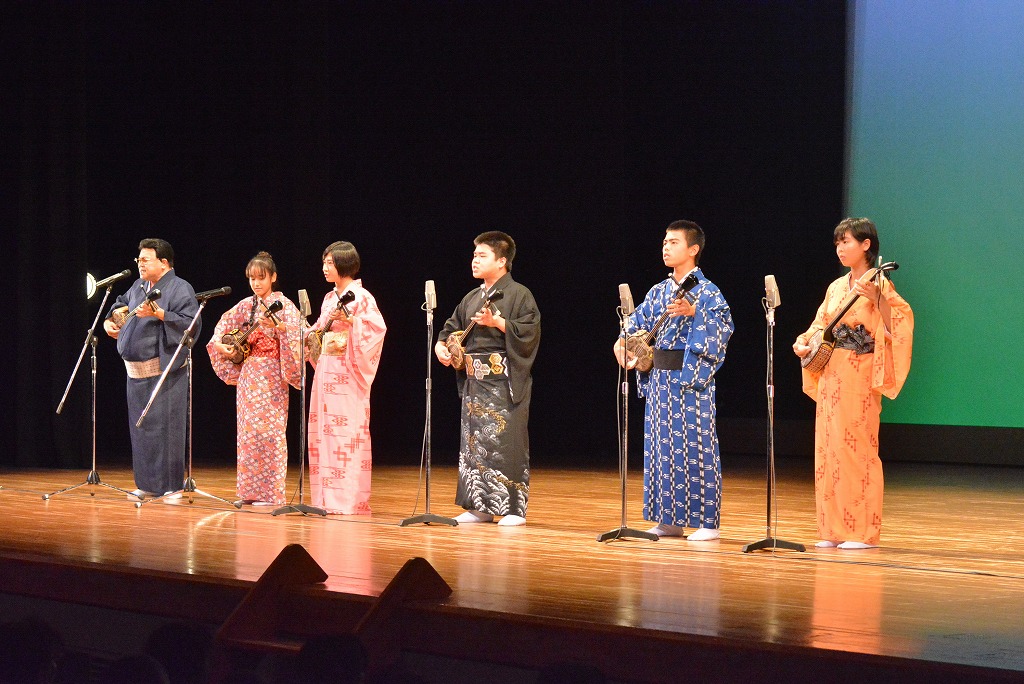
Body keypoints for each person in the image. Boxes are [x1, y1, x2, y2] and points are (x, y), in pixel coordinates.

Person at [793, 217, 914, 550]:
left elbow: (899, 325)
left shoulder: (880, 283)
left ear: (866, 245)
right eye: (837, 242)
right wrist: (803, 341)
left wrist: (878, 299)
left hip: (859, 372)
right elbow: (820, 324)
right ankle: (833, 529)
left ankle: (862, 532)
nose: (840, 248)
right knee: (828, 450)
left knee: (857, 449)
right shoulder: (836, 287)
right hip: (832, 372)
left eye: (846, 241)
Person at [614, 220, 733, 540]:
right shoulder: (659, 291)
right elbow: (634, 323)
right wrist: (621, 343)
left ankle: (708, 523)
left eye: (674, 242)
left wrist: (695, 313)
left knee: (698, 448)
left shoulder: (708, 291)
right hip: (660, 381)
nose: (666, 247)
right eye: (665, 242)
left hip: (691, 380)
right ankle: (668, 519)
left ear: (693, 249)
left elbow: (724, 329)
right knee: (662, 449)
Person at [435, 231, 541, 526]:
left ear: (502, 261)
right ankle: (479, 507)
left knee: (506, 442)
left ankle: (513, 509)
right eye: (474, 255)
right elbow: (449, 329)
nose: (475, 260)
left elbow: (530, 332)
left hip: (504, 382)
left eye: (482, 255)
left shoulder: (519, 294)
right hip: (475, 383)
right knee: (473, 443)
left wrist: (498, 322)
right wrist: (440, 347)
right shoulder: (472, 298)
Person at [103, 238, 200, 499]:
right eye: (139, 260)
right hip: (135, 373)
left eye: (146, 260)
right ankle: (147, 484)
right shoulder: (138, 286)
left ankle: (171, 486)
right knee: (141, 429)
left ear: (164, 262)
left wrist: (159, 314)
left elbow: (191, 324)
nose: (140, 264)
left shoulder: (180, 288)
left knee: (166, 429)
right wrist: (110, 321)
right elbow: (119, 304)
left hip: (165, 371)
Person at [207, 252, 303, 506]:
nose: (256, 283)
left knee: (270, 432)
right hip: (249, 375)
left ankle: (271, 493)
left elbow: (299, 334)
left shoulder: (284, 305)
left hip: (272, 375)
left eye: (261, 278)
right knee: (248, 433)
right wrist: (220, 345)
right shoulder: (245, 305)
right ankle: (249, 491)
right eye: (252, 278)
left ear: (273, 277)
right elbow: (222, 326)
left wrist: (280, 328)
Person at [305, 241, 386, 514]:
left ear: (345, 264)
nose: (325, 267)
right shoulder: (329, 298)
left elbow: (377, 329)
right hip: (326, 369)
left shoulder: (362, 297)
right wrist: (303, 335)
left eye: (330, 263)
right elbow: (319, 329)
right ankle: (324, 498)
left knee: (346, 435)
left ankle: (347, 500)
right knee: (323, 434)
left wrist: (352, 321)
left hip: (350, 371)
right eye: (324, 262)